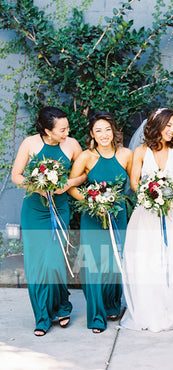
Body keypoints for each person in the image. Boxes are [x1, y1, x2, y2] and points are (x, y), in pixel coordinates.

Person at [120, 108, 173, 332]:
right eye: (168, 125)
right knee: (148, 260)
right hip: (147, 212)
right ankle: (153, 309)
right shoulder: (140, 151)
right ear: (156, 125)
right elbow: (135, 182)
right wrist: (150, 194)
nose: (172, 130)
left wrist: (169, 192)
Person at [11, 106, 85, 336]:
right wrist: (36, 186)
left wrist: (69, 184)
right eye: (62, 129)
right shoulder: (30, 144)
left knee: (54, 262)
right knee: (36, 266)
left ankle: (63, 306)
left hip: (59, 210)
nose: (67, 132)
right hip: (34, 211)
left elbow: (83, 174)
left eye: (67, 127)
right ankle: (42, 316)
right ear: (47, 131)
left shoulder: (72, 145)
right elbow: (16, 175)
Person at [68, 111, 133, 333]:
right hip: (93, 216)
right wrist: (92, 200)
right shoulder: (86, 157)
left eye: (107, 129)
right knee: (94, 266)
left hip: (118, 215)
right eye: (98, 131)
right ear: (92, 134)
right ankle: (96, 316)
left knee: (114, 262)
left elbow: (133, 185)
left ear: (114, 130)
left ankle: (113, 305)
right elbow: (73, 186)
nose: (104, 134)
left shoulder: (126, 154)